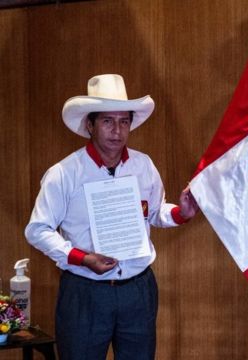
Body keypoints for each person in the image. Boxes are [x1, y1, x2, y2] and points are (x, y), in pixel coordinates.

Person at [24, 74, 199, 360]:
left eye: (124, 121)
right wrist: (82, 258)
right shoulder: (64, 173)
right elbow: (38, 230)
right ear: (90, 125)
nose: (117, 130)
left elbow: (155, 212)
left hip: (138, 288)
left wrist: (181, 213)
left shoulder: (143, 165)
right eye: (107, 121)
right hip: (85, 291)